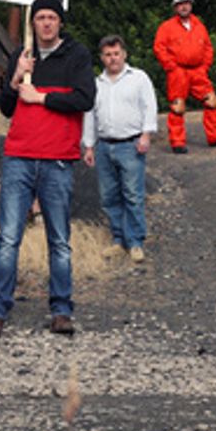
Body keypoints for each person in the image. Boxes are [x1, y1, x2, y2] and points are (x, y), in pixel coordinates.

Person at [0, 0, 96, 338]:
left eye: (52, 17)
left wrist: (41, 97)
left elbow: (85, 98)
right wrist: (16, 79)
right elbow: (7, 108)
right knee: (9, 238)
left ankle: (61, 310)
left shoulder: (76, 55)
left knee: (58, 239)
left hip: (57, 158)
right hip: (19, 156)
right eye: (41, 17)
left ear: (60, 22)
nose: (46, 23)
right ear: (33, 22)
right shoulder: (22, 54)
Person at [81, 35, 158, 263]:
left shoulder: (138, 78)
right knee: (109, 196)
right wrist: (89, 146)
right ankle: (118, 239)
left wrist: (146, 134)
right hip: (104, 146)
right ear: (102, 58)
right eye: (108, 54)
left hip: (131, 144)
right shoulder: (96, 84)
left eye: (116, 53)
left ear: (124, 54)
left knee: (133, 195)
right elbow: (90, 116)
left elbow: (149, 106)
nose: (113, 58)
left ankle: (135, 242)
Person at [153, 0, 216, 154]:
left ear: (191, 5)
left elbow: (208, 47)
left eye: (186, 3)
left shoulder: (199, 25)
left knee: (212, 101)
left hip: (198, 71)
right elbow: (159, 48)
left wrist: (205, 66)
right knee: (177, 107)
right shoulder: (166, 27)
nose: (183, 7)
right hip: (178, 72)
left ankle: (215, 137)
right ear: (175, 8)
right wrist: (171, 66)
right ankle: (177, 142)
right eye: (179, 4)